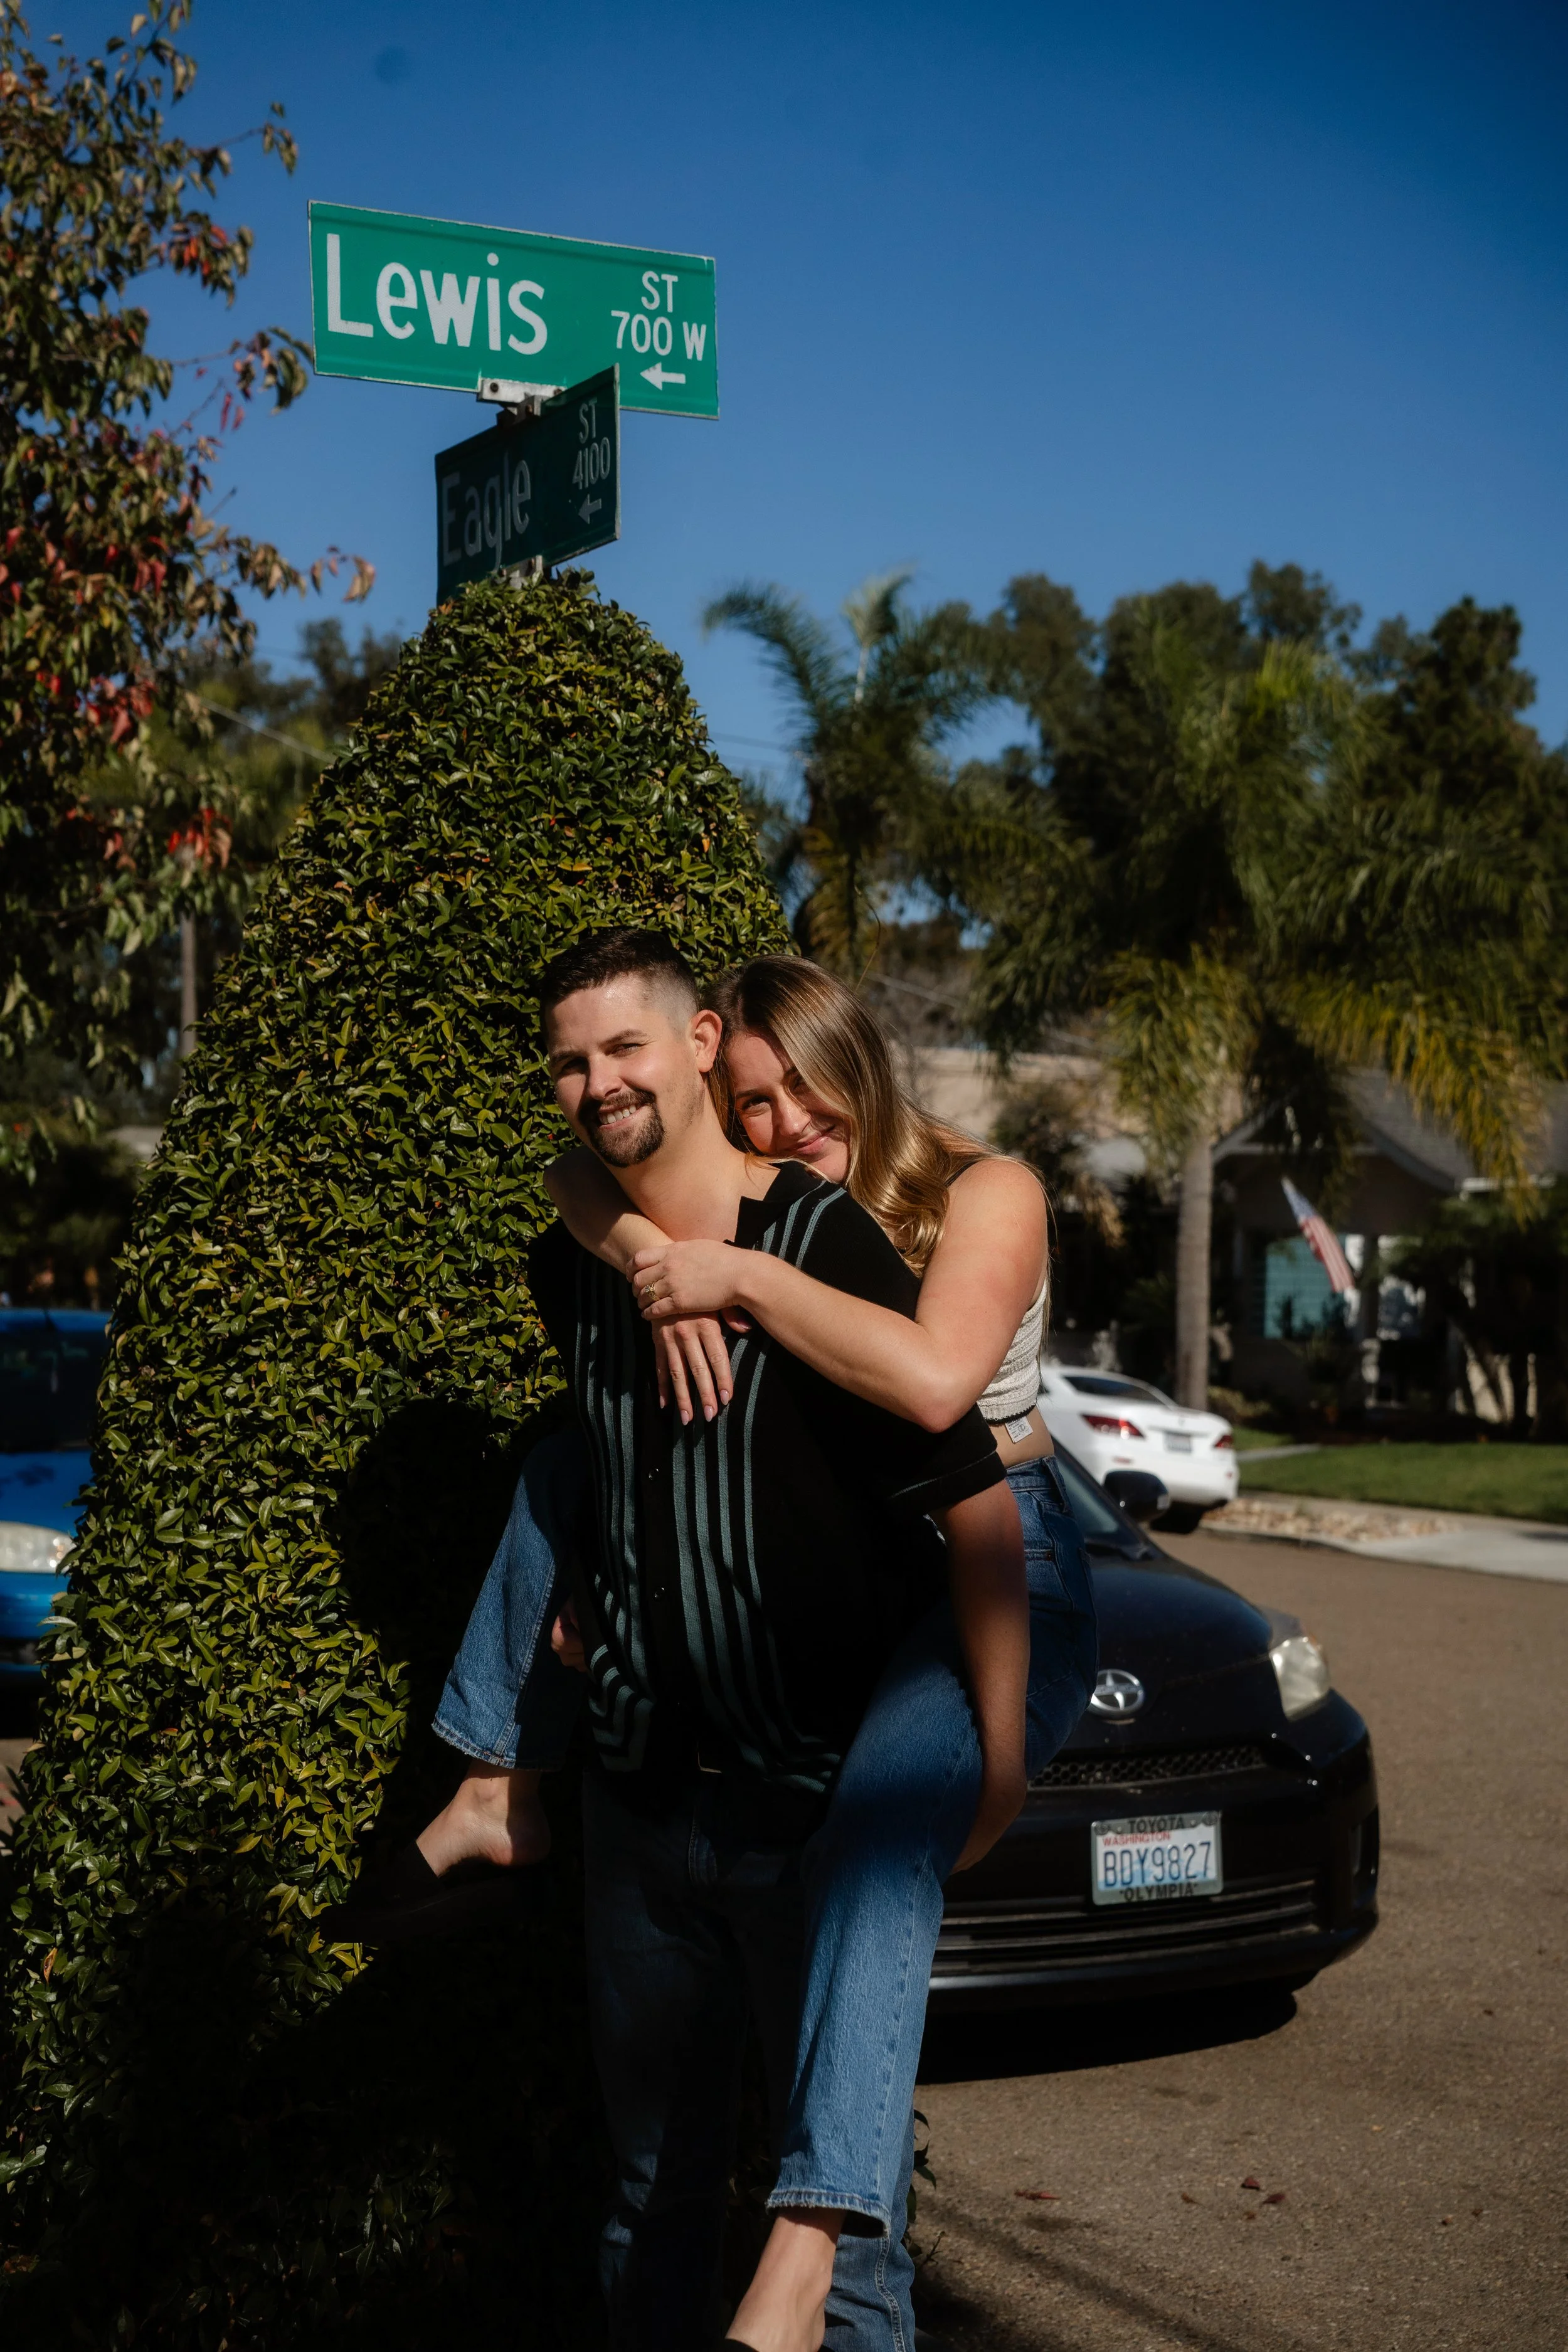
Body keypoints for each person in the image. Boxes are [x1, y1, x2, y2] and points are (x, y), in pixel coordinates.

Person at [345, 926, 1042, 2352]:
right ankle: (498, 1785)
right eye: (569, 1063)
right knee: (648, 2196)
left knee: (842, 2257)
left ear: (701, 1048)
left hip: (807, 1811)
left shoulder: (822, 1241)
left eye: (625, 1049)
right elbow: (608, 1463)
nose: (599, 1084)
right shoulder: (578, 1261)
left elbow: (968, 1498)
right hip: (645, 1816)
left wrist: (993, 1750)